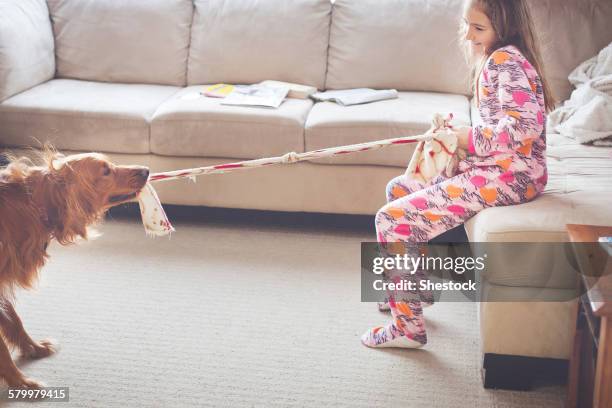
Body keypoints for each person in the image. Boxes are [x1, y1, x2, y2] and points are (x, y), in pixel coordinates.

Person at [362, 0, 554, 348]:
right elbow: (504, 123)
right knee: (399, 189)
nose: (468, 35)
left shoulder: (505, 59)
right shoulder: (500, 58)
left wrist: (469, 138)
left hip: (509, 176)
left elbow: (525, 127)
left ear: (505, 26)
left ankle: (407, 329)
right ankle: (413, 291)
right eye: (466, 24)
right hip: (501, 169)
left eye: (478, 28)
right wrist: (464, 137)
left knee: (390, 220)